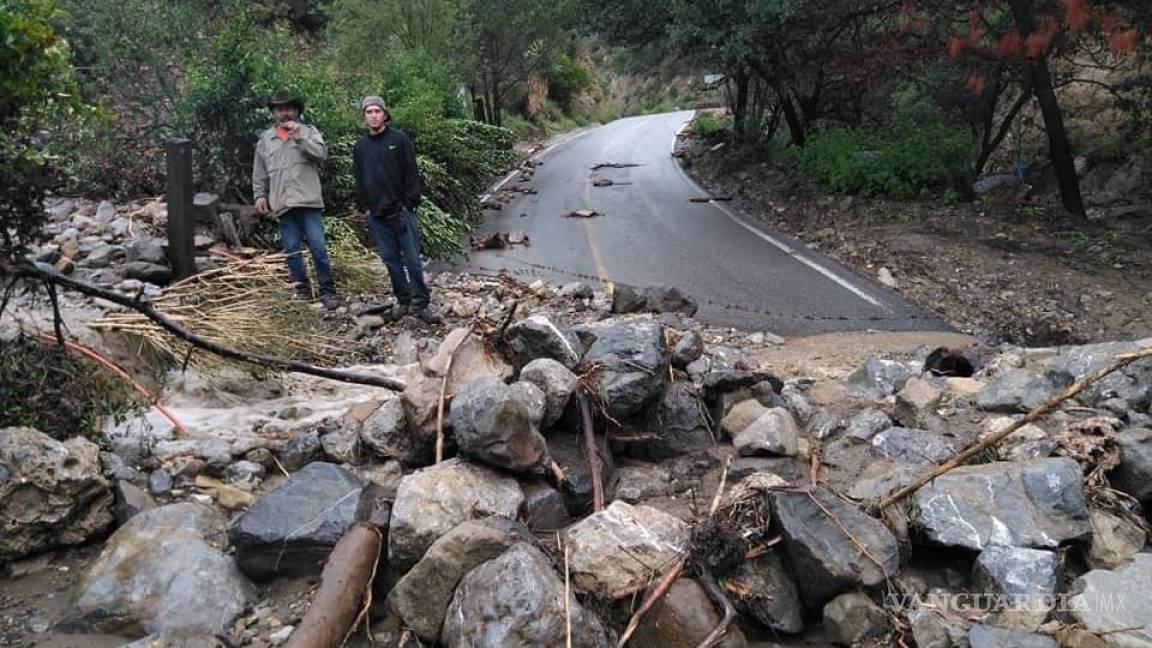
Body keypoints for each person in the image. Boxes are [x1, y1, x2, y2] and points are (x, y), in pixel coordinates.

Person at [353, 96, 439, 324]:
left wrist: (410, 202)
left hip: (401, 211)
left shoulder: (399, 139)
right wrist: (365, 208)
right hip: (377, 215)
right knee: (391, 261)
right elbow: (359, 179)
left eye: (377, 111)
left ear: (385, 114)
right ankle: (403, 301)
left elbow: (411, 173)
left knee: (412, 259)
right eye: (369, 112)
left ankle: (421, 303)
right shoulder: (360, 147)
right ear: (364, 117)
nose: (373, 115)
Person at [252, 89, 338, 309]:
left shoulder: (308, 132)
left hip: (308, 201)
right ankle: (302, 289)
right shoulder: (266, 139)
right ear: (274, 113)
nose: (285, 113)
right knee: (291, 250)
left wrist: (298, 135)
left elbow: (321, 154)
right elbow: (259, 171)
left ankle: (327, 291)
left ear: (296, 111)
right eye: (280, 110)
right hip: (282, 204)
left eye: (289, 109)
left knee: (318, 248)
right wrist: (260, 195)